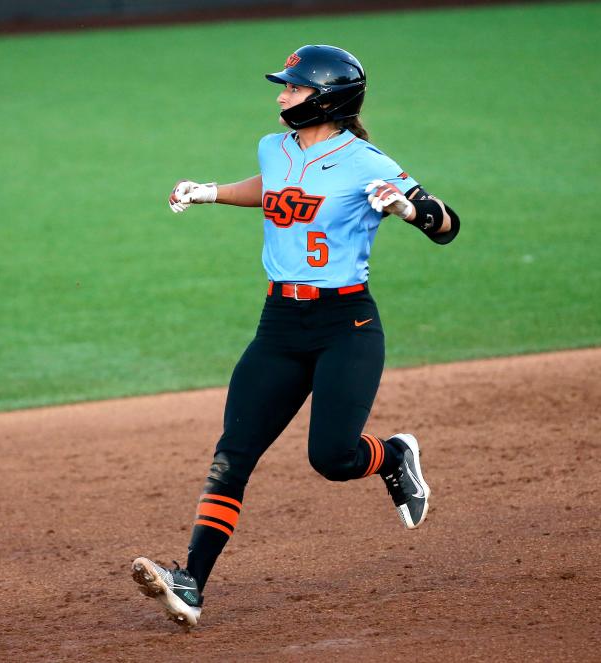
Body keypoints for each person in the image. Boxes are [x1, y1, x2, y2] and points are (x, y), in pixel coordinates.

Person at [131, 44, 460, 628]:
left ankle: (393, 456)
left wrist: (410, 211)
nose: (282, 96)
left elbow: (447, 224)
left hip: (346, 327)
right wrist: (210, 192)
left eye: (294, 88)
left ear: (327, 99)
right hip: (278, 327)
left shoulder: (367, 162)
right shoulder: (274, 146)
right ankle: (191, 582)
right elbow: (273, 188)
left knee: (331, 458)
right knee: (232, 456)